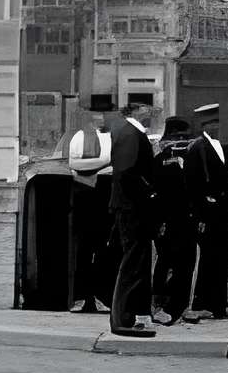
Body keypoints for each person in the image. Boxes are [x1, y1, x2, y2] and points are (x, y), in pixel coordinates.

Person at [105, 100, 159, 338]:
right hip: (132, 208)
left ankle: (134, 315)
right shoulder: (129, 133)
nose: (151, 112)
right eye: (146, 108)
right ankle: (122, 318)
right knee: (132, 262)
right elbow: (127, 174)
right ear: (135, 110)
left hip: (133, 207)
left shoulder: (131, 132)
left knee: (137, 262)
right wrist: (150, 193)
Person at [189, 102, 228, 321]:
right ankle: (203, 302)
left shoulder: (223, 147)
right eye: (210, 123)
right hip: (209, 210)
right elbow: (193, 182)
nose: (215, 127)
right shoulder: (198, 147)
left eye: (217, 122)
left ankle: (218, 305)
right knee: (209, 258)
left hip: (224, 208)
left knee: (220, 258)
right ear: (203, 125)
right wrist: (201, 209)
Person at [62, 111, 113, 314]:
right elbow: (74, 164)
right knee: (82, 250)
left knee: (103, 251)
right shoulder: (79, 137)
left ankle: (101, 296)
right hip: (83, 195)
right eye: (96, 117)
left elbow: (113, 160)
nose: (99, 120)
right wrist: (103, 162)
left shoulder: (109, 137)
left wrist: (100, 163)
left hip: (104, 196)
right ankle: (81, 296)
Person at [150, 117, 200, 325]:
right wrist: (158, 222)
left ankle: (183, 306)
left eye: (184, 138)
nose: (181, 142)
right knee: (165, 263)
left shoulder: (192, 160)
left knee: (187, 263)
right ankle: (158, 306)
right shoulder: (159, 162)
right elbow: (156, 194)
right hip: (167, 221)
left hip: (187, 220)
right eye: (177, 138)